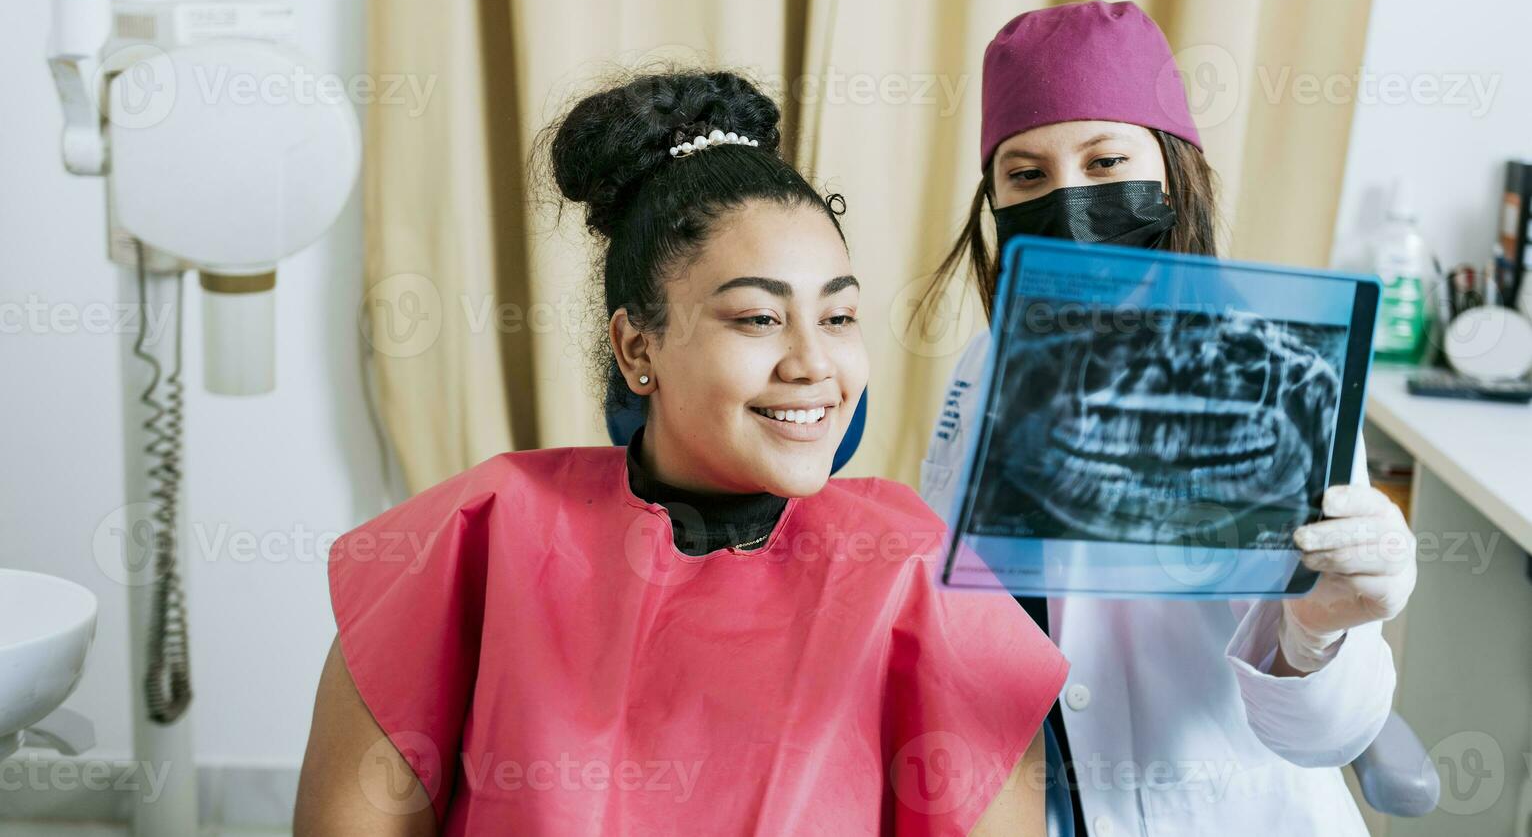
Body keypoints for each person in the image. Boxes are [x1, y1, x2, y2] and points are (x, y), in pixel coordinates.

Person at [293, 69, 1069, 836]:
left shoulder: (918, 576)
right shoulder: (470, 538)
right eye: (759, 319)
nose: (813, 364)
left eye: (838, 317)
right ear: (639, 347)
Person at [917, 1, 1418, 836]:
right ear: (995, 203)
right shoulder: (980, 372)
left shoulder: (1280, 374)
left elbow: (1328, 732)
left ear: (1173, 174)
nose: (1070, 201)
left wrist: (1317, 630)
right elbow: (956, 619)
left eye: (1108, 161)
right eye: (1026, 175)